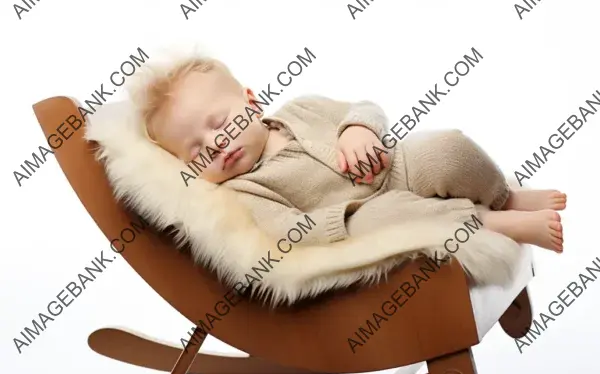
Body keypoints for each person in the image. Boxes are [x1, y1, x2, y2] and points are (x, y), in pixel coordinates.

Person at [132, 56, 566, 253]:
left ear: (251, 100)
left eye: (217, 122)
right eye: (195, 152)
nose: (215, 145)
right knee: (399, 219)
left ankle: (502, 194)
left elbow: (366, 108)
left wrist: (357, 130)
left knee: (447, 147)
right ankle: (490, 222)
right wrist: (342, 220)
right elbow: (288, 231)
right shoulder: (244, 192)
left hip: (394, 167)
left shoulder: (302, 107)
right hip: (356, 216)